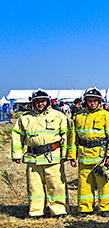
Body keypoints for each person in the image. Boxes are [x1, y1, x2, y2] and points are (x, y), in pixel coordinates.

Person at [11, 90, 70, 218]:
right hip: (33, 159)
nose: (40, 104)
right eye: (37, 102)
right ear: (33, 103)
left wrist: (66, 155)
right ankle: (36, 211)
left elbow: (66, 136)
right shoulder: (25, 118)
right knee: (34, 187)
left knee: (56, 185)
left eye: (42, 101)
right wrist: (16, 154)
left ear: (48, 102)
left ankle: (59, 210)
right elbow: (16, 136)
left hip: (52, 157)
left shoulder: (58, 116)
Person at [68, 87, 109, 217]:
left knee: (104, 184)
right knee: (84, 185)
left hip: (100, 157)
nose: (92, 103)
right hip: (84, 156)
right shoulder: (78, 116)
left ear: (100, 101)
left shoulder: (106, 116)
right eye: (90, 101)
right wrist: (72, 156)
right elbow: (73, 138)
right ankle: (85, 208)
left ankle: (106, 208)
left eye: (95, 101)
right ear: (85, 101)